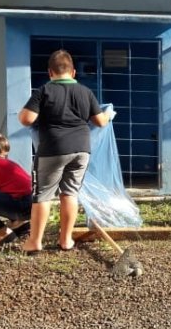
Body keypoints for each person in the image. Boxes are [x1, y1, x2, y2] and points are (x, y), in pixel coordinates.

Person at [18, 49, 112, 254]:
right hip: (81, 149)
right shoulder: (85, 92)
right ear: (74, 72)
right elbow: (100, 122)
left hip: (52, 149)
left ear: (50, 72)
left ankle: (34, 242)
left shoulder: (44, 91)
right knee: (70, 192)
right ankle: (66, 240)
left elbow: (26, 119)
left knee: (42, 195)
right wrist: (108, 114)